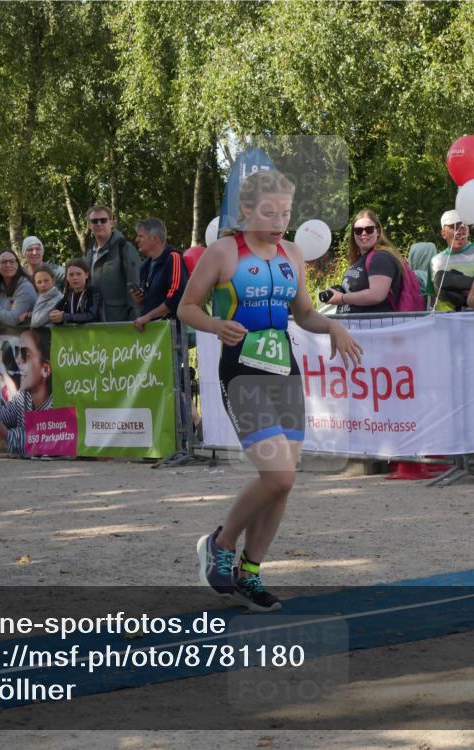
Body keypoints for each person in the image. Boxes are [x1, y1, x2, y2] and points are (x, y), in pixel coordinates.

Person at [177, 169, 362, 612]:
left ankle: (250, 572)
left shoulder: (293, 254)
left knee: (282, 485)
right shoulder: (223, 252)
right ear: (245, 211)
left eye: (286, 212)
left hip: (285, 373)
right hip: (241, 373)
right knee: (278, 475)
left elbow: (303, 314)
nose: (279, 220)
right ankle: (220, 543)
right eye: (269, 211)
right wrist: (215, 324)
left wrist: (332, 325)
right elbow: (187, 306)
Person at [321, 209, 401, 313]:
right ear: (353, 235)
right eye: (358, 231)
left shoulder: (381, 257)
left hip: (374, 326)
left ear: (378, 232)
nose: (363, 233)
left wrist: (342, 298)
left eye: (369, 229)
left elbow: (376, 295)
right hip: (355, 326)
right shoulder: (361, 259)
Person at [0, 328, 53, 455]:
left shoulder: (55, 406)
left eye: (25, 354)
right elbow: (6, 414)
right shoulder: (24, 396)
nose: (18, 359)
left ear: (45, 369)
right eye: (16, 351)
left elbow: (16, 440)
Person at [84, 205, 141, 322]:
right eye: (94, 221)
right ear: (89, 225)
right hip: (93, 321)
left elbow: (136, 284)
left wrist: (135, 318)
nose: (99, 224)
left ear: (111, 222)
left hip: (119, 320)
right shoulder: (89, 252)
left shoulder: (124, 248)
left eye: (103, 220)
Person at [131, 218, 189, 332]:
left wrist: (148, 317)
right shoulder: (145, 265)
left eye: (141, 236)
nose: (137, 240)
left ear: (155, 238)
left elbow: (175, 298)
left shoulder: (173, 258)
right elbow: (149, 300)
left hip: (171, 333)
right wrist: (139, 299)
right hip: (150, 333)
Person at [427, 209, 474, 311]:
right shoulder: (435, 262)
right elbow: (433, 297)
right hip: (445, 322)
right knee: (439, 277)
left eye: (463, 227)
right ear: (443, 233)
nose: (459, 232)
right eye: (454, 227)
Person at [0, 249, 37, 328]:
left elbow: (13, 320)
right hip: (5, 337)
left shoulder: (25, 287)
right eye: (4, 262)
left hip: (27, 336)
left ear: (17, 265)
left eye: (12, 261)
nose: (8, 265)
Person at [49, 259, 103, 325]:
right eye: (71, 275)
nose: (75, 277)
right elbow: (57, 310)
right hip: (72, 334)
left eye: (78, 274)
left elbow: (91, 315)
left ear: (86, 275)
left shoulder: (93, 292)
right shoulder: (68, 294)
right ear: (67, 278)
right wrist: (55, 316)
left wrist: (65, 316)